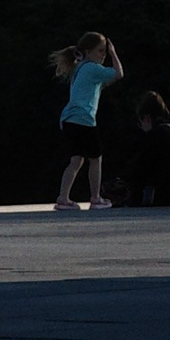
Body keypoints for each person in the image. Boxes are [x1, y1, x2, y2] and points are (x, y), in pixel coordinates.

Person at [49, 32, 122, 210]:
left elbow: (104, 83)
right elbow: (119, 73)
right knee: (95, 159)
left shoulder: (80, 68)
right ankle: (95, 198)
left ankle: (63, 198)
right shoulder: (92, 68)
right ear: (88, 52)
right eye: (100, 51)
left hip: (69, 120)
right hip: (83, 119)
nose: (103, 55)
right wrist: (113, 53)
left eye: (105, 51)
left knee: (76, 160)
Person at [116, 91, 170, 207]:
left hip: (168, 197)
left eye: (140, 122)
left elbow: (138, 169)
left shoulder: (155, 136)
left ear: (147, 118)